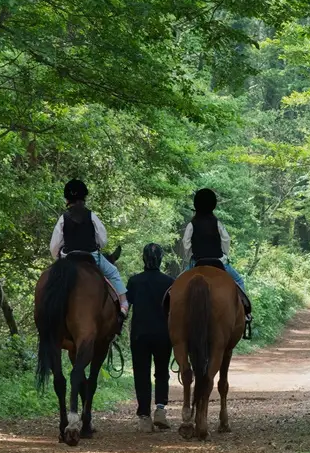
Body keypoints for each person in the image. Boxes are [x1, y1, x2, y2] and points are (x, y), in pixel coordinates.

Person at [49, 179, 128, 316]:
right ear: (84, 197)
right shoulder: (91, 216)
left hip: (68, 259)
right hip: (91, 257)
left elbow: (54, 245)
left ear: (67, 198)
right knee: (113, 272)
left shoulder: (63, 218)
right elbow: (102, 240)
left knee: (51, 279)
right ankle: (123, 304)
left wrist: (57, 255)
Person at [181, 188, 252, 325]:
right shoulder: (217, 222)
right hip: (218, 262)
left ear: (196, 205)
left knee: (176, 284)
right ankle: (246, 313)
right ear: (213, 205)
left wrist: (191, 256)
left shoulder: (192, 224)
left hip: (197, 263)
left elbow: (186, 243)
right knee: (239, 280)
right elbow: (226, 240)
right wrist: (224, 255)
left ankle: (171, 313)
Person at [126, 244, 174, 433]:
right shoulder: (170, 281)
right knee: (162, 372)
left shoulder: (134, 281)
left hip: (140, 334)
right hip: (163, 334)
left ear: (142, 258)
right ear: (161, 259)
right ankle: (160, 410)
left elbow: (125, 307)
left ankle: (144, 417)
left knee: (141, 374)